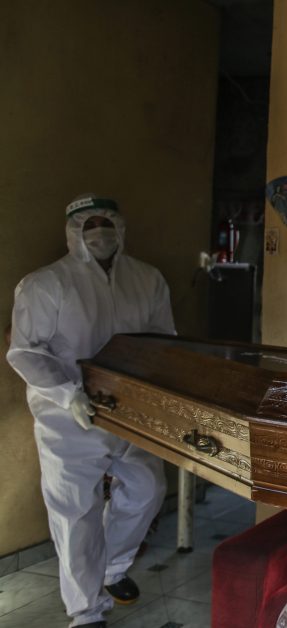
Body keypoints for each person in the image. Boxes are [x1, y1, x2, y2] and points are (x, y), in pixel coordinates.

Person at [6, 194, 176, 628]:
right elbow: (25, 352)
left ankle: (111, 569)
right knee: (75, 511)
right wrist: (68, 394)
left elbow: (162, 341)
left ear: (120, 227)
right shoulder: (44, 284)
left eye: (107, 222)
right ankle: (85, 611)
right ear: (73, 231)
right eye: (89, 223)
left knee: (146, 490)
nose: (99, 231)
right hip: (68, 419)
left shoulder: (147, 279)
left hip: (131, 412)